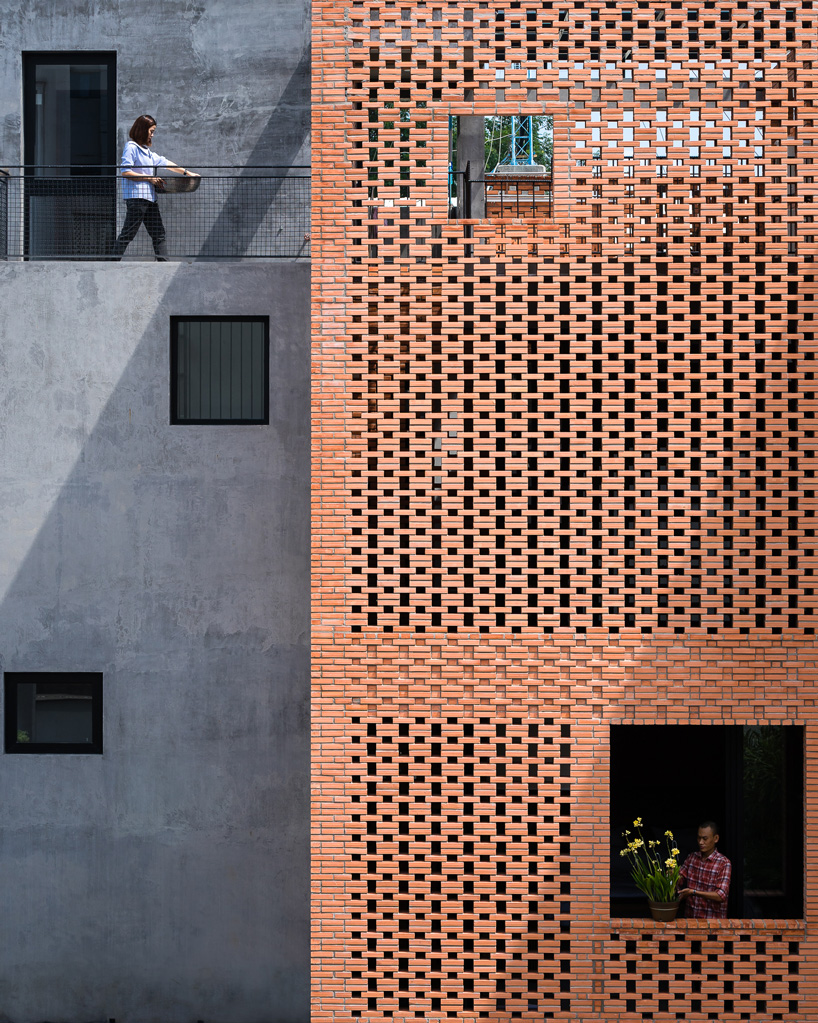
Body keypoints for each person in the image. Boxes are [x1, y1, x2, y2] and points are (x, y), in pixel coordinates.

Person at [112, 115, 198, 260]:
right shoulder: (131, 147)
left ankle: (164, 265)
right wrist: (150, 178)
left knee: (159, 234)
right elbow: (125, 172)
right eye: (151, 131)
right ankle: (110, 263)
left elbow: (166, 163)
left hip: (150, 199)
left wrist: (187, 173)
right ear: (142, 130)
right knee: (128, 234)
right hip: (137, 199)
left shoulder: (148, 153)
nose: (152, 135)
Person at [678, 821, 731, 919]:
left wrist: (693, 892)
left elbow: (721, 895)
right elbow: (678, 880)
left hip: (712, 923)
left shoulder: (723, 863)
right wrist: (671, 876)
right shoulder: (692, 858)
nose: (700, 842)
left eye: (705, 839)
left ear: (716, 838)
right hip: (690, 921)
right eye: (699, 838)